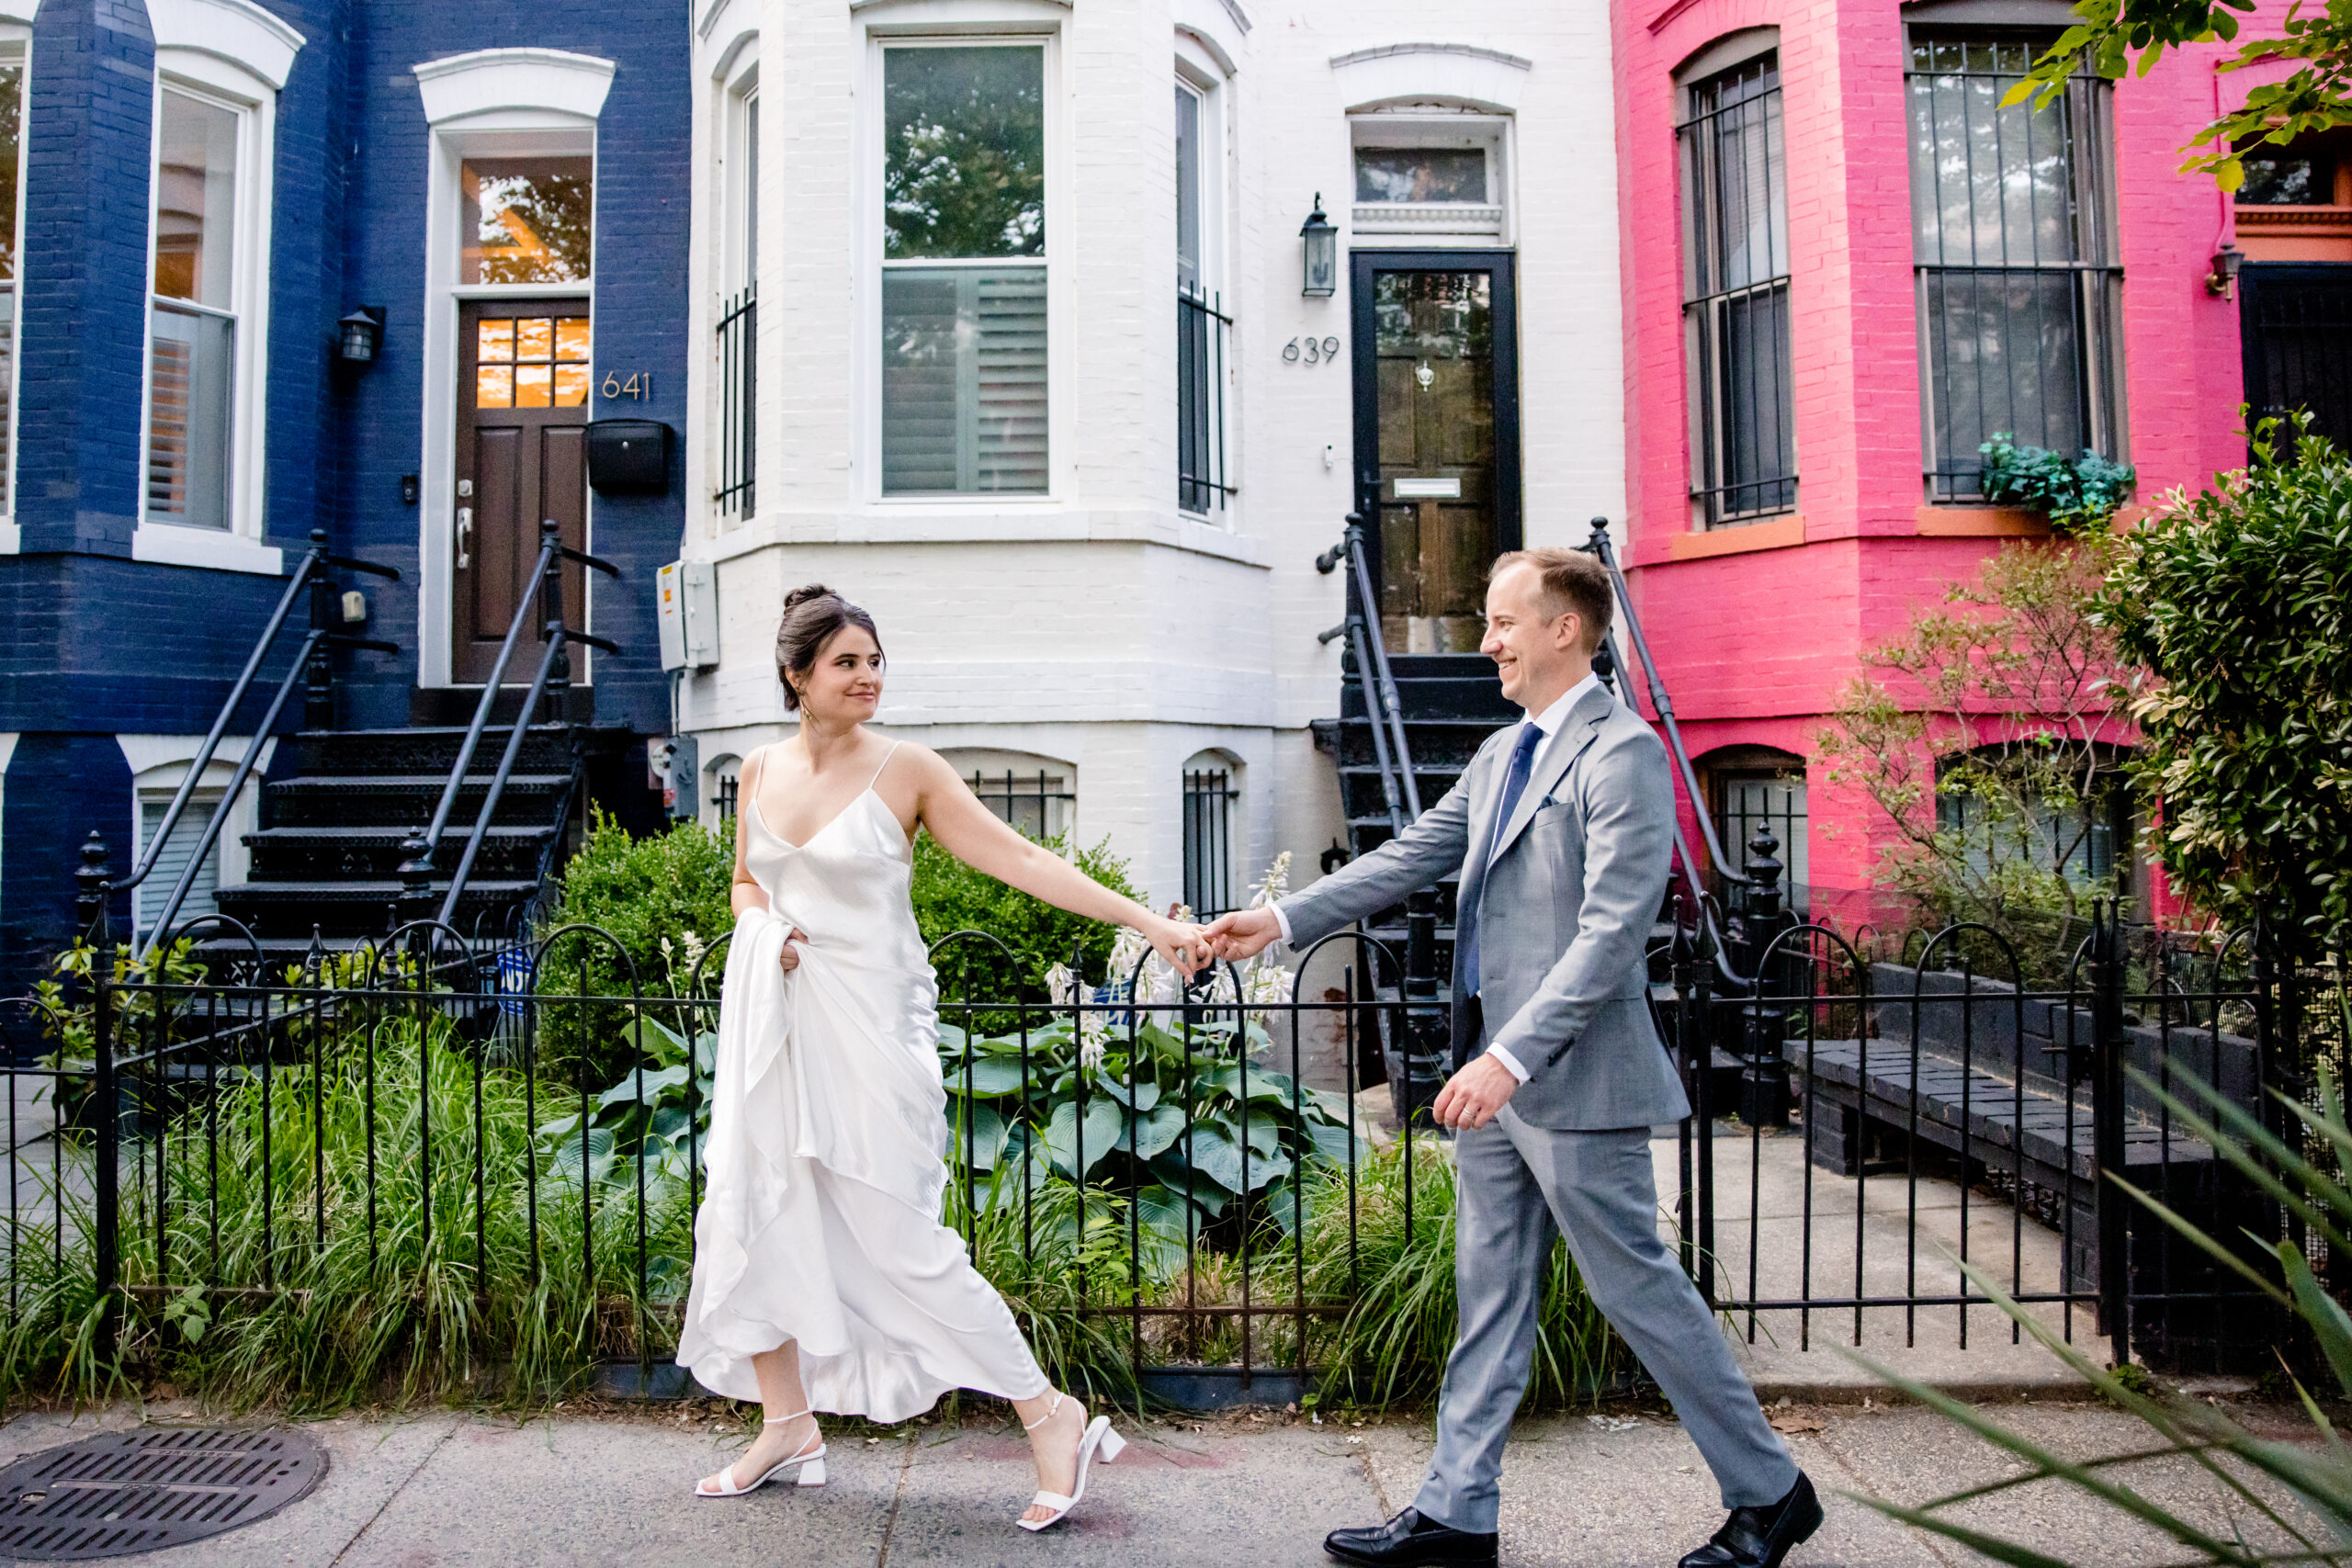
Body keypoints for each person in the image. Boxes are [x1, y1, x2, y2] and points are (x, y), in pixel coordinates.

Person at [1203, 549, 1822, 1568]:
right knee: (1489, 1290)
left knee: (1638, 1293)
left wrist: (1514, 1058)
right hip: (1493, 1078)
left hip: (1565, 1080)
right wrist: (1272, 920)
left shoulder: (1621, 753)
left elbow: (1613, 931)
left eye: (1500, 622)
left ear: (1563, 629)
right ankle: (1456, 1513)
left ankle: (1769, 1491)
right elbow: (1407, 855)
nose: (1486, 641)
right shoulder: (1504, 754)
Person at [677, 585, 1208, 1531]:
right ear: (797, 677)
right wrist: (767, 936)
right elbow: (746, 884)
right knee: (748, 1213)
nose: (868, 676)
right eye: (846, 663)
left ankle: (1052, 1416)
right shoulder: (756, 769)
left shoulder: (906, 770)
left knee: (903, 1246)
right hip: (780, 1029)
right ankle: (786, 1424)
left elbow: (1023, 861)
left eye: (875, 660)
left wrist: (1143, 923)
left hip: (874, 1036)